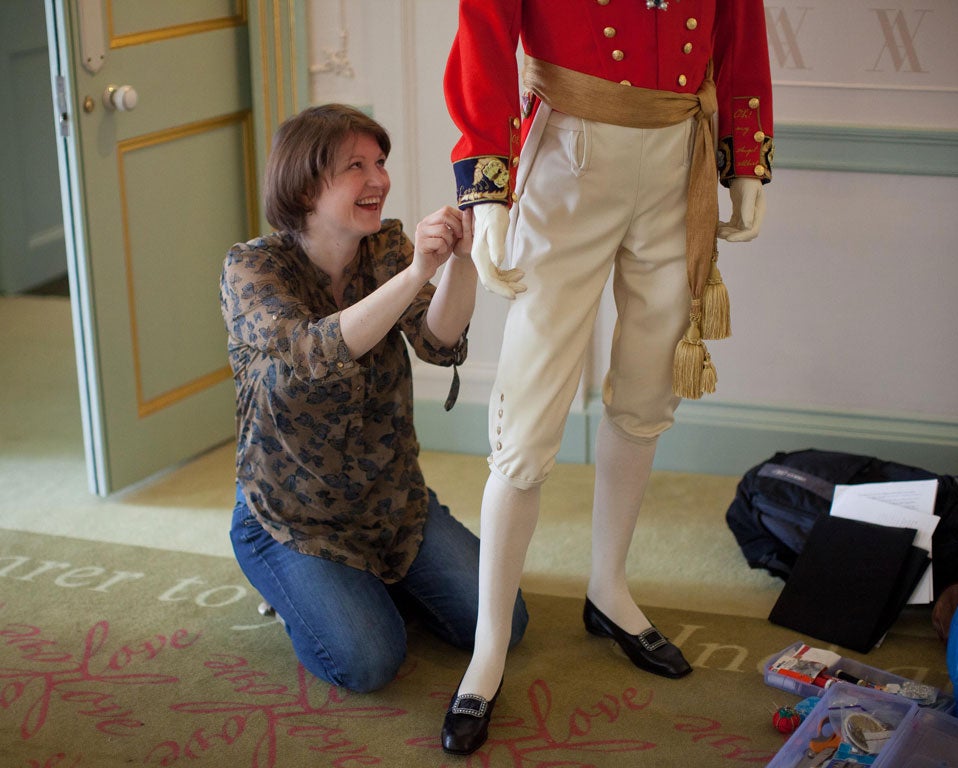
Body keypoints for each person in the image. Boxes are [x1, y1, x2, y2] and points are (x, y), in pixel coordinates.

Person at [440, 1, 773, 755]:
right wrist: (488, 189)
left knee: (648, 388)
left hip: (675, 160)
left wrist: (745, 157)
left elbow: (740, 32)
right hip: (567, 153)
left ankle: (609, 587)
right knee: (528, 411)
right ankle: (488, 647)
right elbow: (485, 37)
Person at [219, 103, 528, 695]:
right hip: (290, 516)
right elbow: (315, 351)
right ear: (306, 184)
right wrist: (415, 275)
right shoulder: (252, 268)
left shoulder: (384, 246)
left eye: (380, 162)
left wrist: (460, 262)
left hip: (392, 505)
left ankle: (367, 584)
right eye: (355, 166)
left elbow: (439, 343)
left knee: (504, 625)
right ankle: (297, 590)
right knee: (367, 663)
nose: (379, 179)